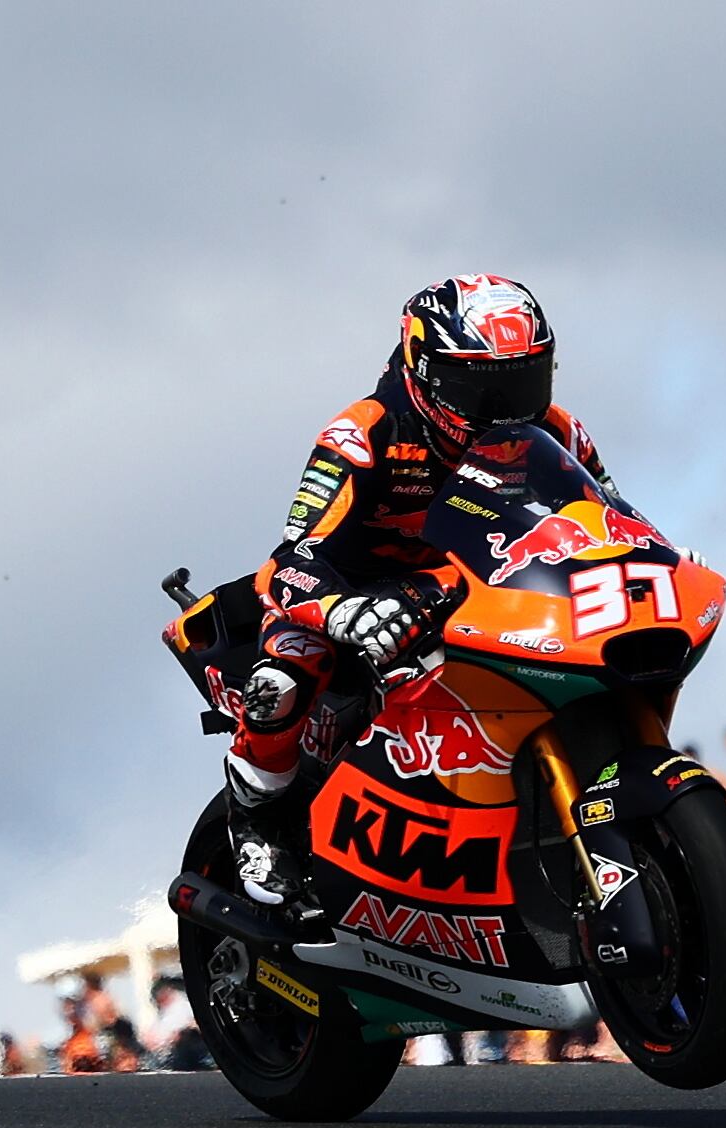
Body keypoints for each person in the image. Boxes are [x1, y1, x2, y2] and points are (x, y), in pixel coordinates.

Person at [222, 274, 688, 903]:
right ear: (425, 371)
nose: (505, 408)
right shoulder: (363, 432)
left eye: (522, 382)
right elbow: (293, 559)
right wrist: (342, 611)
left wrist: (659, 555)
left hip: (480, 593)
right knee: (284, 678)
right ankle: (257, 823)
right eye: (481, 387)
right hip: (355, 597)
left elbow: (608, 514)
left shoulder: (557, 431)